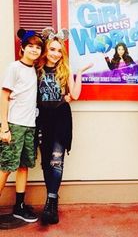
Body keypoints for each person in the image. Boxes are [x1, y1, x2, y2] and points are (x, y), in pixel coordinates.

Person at [36, 27, 93, 225]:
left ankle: (51, 203)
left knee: (56, 161)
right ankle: (52, 198)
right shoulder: (37, 70)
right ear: (46, 50)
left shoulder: (65, 70)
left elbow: (75, 95)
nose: (55, 53)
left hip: (61, 118)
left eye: (59, 50)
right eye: (52, 49)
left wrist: (78, 72)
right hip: (42, 119)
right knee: (45, 163)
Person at [0, 28, 44, 222]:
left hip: (30, 126)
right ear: (23, 48)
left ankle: (19, 206)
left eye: (37, 47)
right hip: (14, 125)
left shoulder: (35, 70)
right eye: (30, 46)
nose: (34, 50)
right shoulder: (14, 67)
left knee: (24, 166)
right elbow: (4, 96)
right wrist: (4, 127)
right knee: (6, 166)